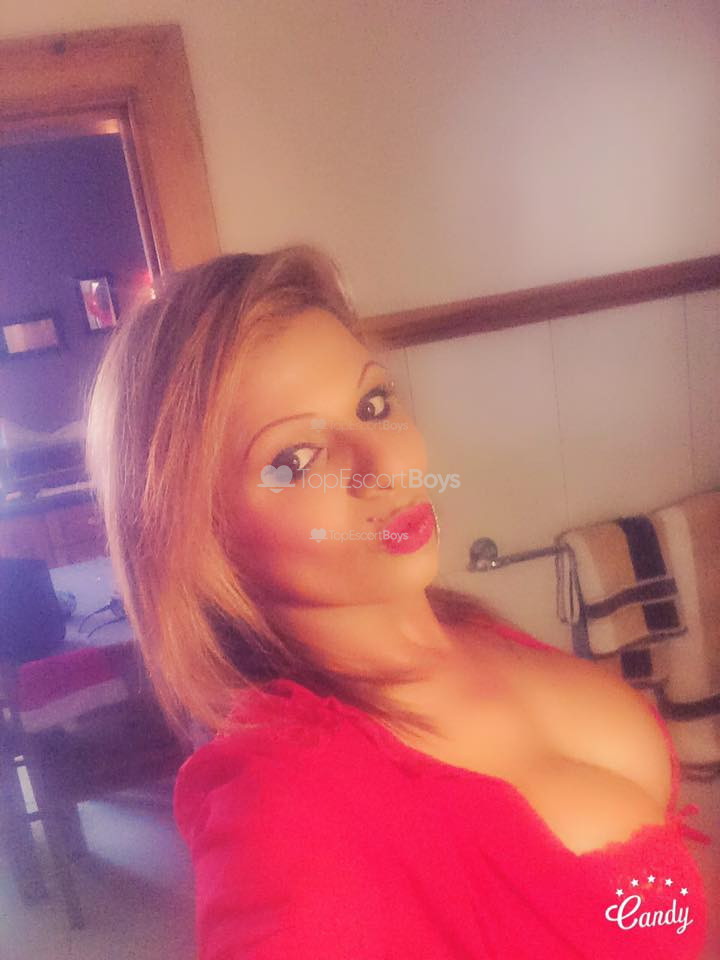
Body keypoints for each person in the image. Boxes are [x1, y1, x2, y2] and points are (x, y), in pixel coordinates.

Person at [85, 245, 710, 959]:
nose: (388, 465)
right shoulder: (280, 802)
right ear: (198, 540)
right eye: (296, 459)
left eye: (373, 405)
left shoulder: (463, 626)